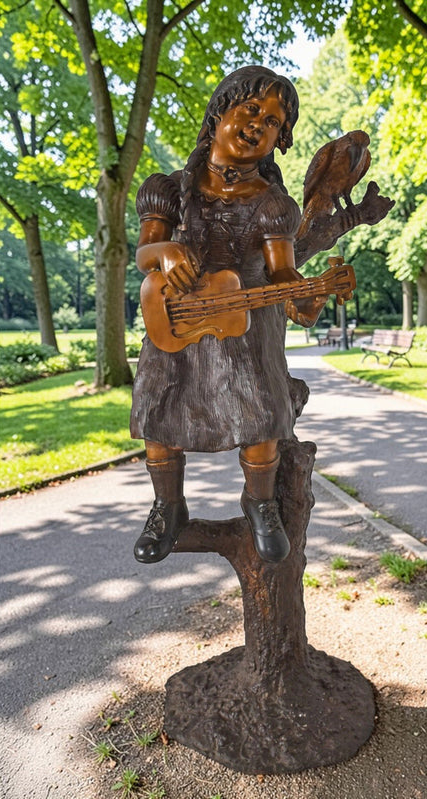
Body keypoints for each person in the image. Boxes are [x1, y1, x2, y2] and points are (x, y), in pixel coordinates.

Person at [130, 66, 348, 565]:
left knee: (258, 416)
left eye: (272, 122)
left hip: (247, 327)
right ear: (218, 112)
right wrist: (163, 251)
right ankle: (168, 507)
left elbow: (282, 274)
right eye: (251, 110)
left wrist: (306, 296)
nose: (258, 124)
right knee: (160, 417)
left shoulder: (273, 204)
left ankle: (260, 502)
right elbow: (143, 255)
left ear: (278, 141)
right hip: (178, 320)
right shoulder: (166, 189)